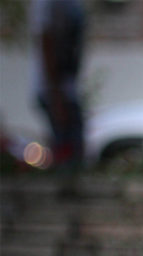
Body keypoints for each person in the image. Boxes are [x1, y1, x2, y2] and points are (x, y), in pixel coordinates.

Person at [30, 0, 86, 169]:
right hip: (56, 92)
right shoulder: (48, 4)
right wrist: (56, 95)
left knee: (75, 150)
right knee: (66, 152)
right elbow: (46, 42)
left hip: (67, 89)